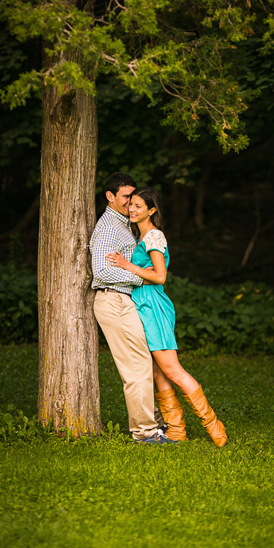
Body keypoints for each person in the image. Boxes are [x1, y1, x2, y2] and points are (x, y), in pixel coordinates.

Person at [106, 187, 228, 447]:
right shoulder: (141, 236)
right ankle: (176, 431)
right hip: (142, 306)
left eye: (139, 206)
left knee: (172, 369)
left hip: (153, 307)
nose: (132, 209)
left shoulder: (154, 236)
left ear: (152, 210)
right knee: (157, 372)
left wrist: (129, 266)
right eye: (131, 205)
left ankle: (215, 428)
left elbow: (160, 276)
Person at [90, 173, 173, 444]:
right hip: (113, 300)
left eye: (133, 197)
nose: (130, 203)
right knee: (136, 367)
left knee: (144, 363)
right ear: (110, 197)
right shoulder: (108, 228)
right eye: (125, 197)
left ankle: (155, 422)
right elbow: (101, 271)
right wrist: (138, 275)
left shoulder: (127, 224)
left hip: (125, 301)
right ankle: (145, 432)